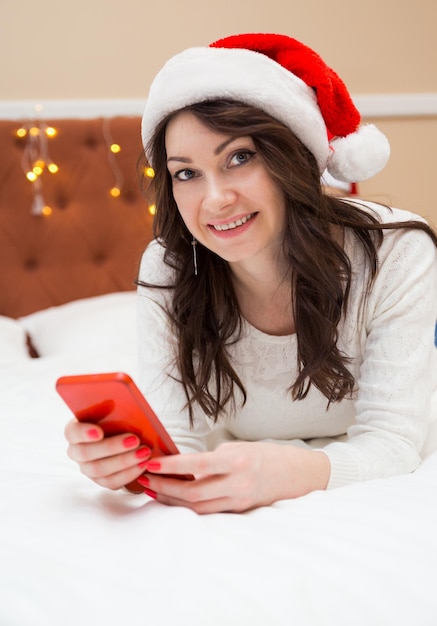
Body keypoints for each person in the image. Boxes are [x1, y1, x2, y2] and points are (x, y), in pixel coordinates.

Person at [65, 33, 437, 513]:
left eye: (239, 158)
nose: (215, 200)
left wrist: (283, 471)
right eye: (186, 173)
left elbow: (393, 442)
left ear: (292, 159)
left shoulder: (396, 252)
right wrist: (131, 467)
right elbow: (177, 438)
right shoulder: (169, 264)